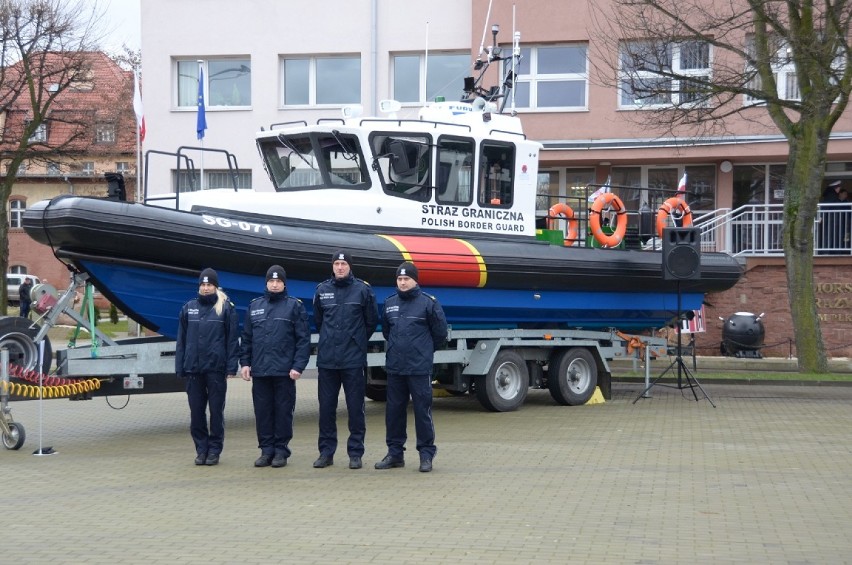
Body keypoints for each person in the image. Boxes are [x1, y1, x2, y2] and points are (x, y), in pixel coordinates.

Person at [375, 262, 448, 473]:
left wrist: (423, 351)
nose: (403, 282)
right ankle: (395, 454)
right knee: (394, 412)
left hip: (419, 368)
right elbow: (387, 332)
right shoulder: (389, 303)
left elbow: (440, 334)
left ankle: (426, 455)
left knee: (422, 412)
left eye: (406, 279)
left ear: (415, 280)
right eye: (399, 279)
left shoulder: (428, 303)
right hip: (396, 368)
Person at [312, 250, 379, 470]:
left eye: (344, 264)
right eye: (337, 263)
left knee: (355, 408)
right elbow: (319, 321)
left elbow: (371, 322)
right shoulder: (322, 290)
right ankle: (326, 452)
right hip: (328, 361)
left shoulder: (363, 290)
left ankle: (355, 452)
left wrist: (356, 341)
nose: (340, 267)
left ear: (350, 266)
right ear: (332, 266)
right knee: (326, 409)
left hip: (353, 360)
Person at [240, 265, 310, 468]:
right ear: (266, 283)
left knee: (283, 412)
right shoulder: (255, 306)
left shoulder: (294, 306)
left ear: (284, 284)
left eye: (278, 281)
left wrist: (298, 366)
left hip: (284, 372)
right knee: (262, 412)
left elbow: (302, 340)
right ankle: (266, 450)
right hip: (260, 371)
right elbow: (247, 338)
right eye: (271, 281)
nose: (275, 284)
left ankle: (281, 451)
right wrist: (245, 362)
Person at [175, 268, 239, 466]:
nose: (205, 288)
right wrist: (180, 366)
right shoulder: (188, 308)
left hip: (215, 369)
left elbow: (231, 340)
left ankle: (214, 450)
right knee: (196, 412)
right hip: (193, 369)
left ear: (215, 286)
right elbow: (181, 340)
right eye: (202, 285)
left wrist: (231, 367)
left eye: (209, 284)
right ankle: (201, 449)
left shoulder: (226, 308)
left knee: (216, 412)